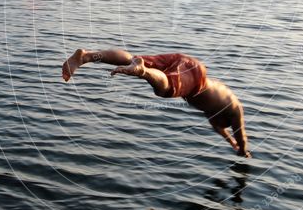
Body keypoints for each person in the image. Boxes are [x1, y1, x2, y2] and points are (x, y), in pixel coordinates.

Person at [62, 47, 250, 157]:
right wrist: (242, 149)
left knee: (134, 58)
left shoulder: (216, 115)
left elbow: (224, 132)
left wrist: (232, 145)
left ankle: (85, 56)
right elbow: (241, 136)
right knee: (166, 89)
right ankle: (142, 71)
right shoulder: (234, 109)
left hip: (186, 62)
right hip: (195, 77)